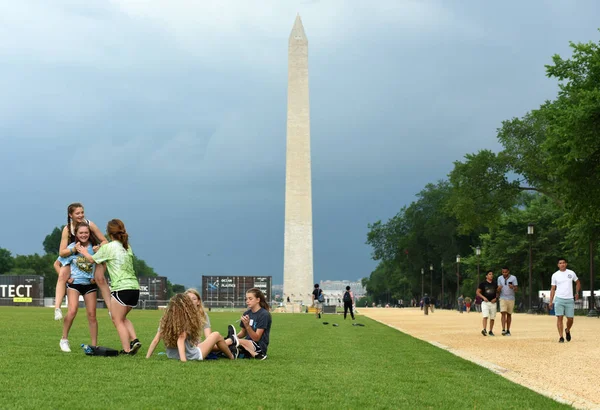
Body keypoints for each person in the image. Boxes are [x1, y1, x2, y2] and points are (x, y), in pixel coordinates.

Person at [78, 219, 141, 355]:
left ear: (109, 233)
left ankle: (126, 350)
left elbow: (92, 259)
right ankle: (134, 340)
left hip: (121, 288)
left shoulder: (109, 248)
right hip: (134, 288)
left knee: (116, 319)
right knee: (123, 317)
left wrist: (83, 251)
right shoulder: (127, 247)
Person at [53, 203, 110, 321]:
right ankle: (57, 308)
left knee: (100, 279)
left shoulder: (90, 224)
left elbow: (105, 241)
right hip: (73, 255)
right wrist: (73, 249)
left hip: (91, 254)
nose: (80, 215)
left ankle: (111, 309)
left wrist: (98, 247)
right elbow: (61, 252)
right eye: (77, 213)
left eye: (82, 212)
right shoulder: (67, 229)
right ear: (70, 215)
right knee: (62, 276)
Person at [146, 293, 236, 361]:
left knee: (203, 343)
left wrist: (147, 357)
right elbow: (181, 339)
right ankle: (232, 356)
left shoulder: (166, 321)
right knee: (216, 335)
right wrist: (183, 360)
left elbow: (155, 340)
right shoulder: (184, 321)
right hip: (191, 356)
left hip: (172, 356)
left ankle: (231, 341)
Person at [56, 222, 98, 352]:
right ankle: (64, 339)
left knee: (92, 315)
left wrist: (95, 276)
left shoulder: (94, 248)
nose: (84, 235)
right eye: (81, 233)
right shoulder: (72, 247)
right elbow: (57, 264)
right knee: (72, 311)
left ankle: (94, 346)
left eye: (86, 232)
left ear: (89, 233)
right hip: (74, 284)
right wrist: (66, 278)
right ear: (76, 234)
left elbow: (101, 263)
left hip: (89, 285)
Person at [225, 288, 271, 360]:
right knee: (228, 341)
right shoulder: (247, 313)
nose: (247, 301)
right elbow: (243, 333)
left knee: (231, 342)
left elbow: (256, 338)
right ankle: (238, 350)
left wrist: (247, 326)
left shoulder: (264, 314)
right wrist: (235, 336)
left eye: (250, 299)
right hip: (248, 342)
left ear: (258, 300)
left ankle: (207, 349)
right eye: (246, 299)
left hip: (258, 345)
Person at [549, 258, 581, 343]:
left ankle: (567, 330)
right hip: (559, 299)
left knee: (570, 319)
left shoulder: (571, 273)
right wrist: (551, 301)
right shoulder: (555, 275)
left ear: (566, 264)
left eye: (563, 263)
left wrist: (577, 292)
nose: (562, 264)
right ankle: (561, 337)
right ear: (558, 265)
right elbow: (553, 288)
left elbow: (577, 282)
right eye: (560, 263)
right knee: (560, 317)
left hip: (569, 299)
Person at [497, 266, 518, 336]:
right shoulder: (499, 278)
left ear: (508, 272)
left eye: (505, 272)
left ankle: (508, 330)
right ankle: (503, 329)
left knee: (509, 314)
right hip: (503, 297)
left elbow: (516, 289)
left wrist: (513, 287)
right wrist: (499, 289)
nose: (504, 273)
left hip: (511, 298)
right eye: (503, 272)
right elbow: (498, 290)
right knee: (503, 313)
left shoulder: (513, 278)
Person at [477, 270, 498, 336]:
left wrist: (496, 298)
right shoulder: (482, 284)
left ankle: (490, 331)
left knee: (492, 318)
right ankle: (484, 329)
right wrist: (483, 297)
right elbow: (477, 292)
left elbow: (497, 292)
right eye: (489, 274)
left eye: (492, 274)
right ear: (486, 276)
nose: (491, 275)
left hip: (493, 303)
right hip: (485, 302)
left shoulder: (495, 284)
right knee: (485, 316)